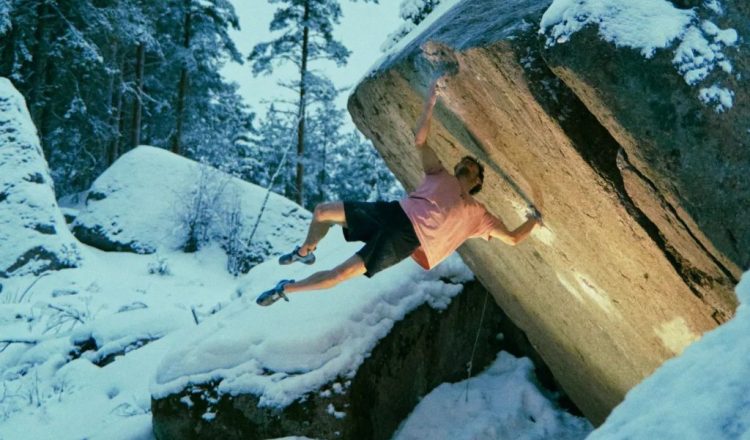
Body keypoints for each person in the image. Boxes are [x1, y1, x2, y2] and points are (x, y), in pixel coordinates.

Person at [256, 78, 542, 306]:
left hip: (406, 240)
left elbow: (514, 238)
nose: (465, 164)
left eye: (471, 167)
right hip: (392, 212)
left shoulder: (479, 215)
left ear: (477, 181)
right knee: (322, 211)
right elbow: (420, 140)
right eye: (463, 162)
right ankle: (305, 251)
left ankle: (287, 289)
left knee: (341, 273)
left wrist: (535, 218)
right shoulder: (439, 173)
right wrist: (431, 100)